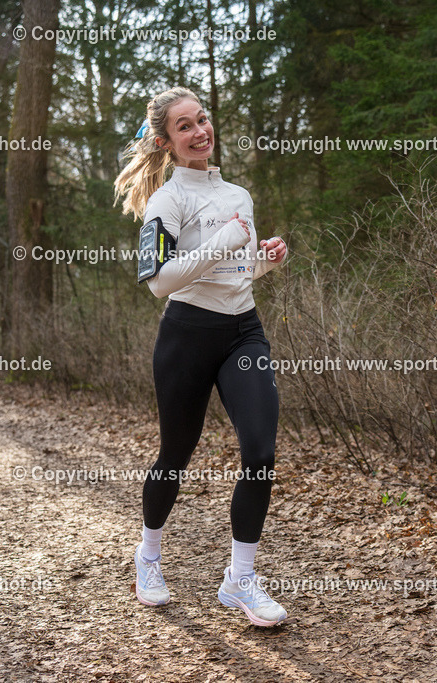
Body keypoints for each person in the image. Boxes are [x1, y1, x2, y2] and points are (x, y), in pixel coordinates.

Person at [114, 87, 290, 627]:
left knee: (259, 452)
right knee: (176, 454)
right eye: (185, 126)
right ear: (166, 142)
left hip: (244, 333)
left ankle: (240, 580)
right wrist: (223, 244)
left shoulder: (239, 195)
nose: (200, 131)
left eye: (203, 119)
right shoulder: (167, 201)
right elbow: (158, 281)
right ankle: (149, 558)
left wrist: (262, 260)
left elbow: (235, 271)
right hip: (187, 336)